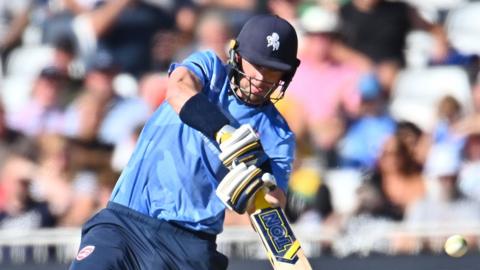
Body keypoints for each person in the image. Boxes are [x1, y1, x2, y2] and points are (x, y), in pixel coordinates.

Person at [69, 14, 300, 270]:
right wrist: (222, 133)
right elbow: (178, 89)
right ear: (236, 55)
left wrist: (258, 184)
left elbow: (275, 200)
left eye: (273, 70)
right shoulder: (210, 71)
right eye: (256, 64)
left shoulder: (278, 134)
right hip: (125, 222)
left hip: (188, 246)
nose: (261, 78)